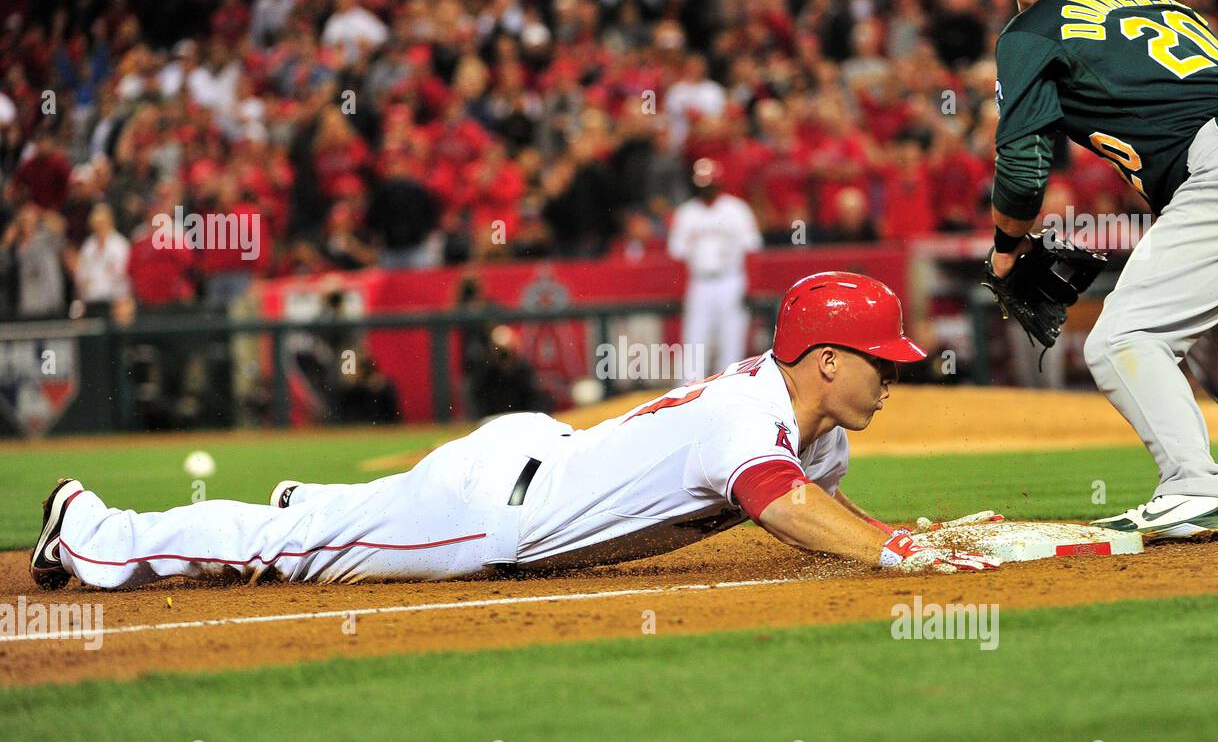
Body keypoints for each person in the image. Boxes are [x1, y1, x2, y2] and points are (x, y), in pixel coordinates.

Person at [30, 273, 1002, 591]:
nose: (896, 374)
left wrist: (894, 537)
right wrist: (895, 554)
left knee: (329, 523)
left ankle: (330, 509)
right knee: (285, 555)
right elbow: (779, 506)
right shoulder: (745, 417)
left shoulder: (811, 431)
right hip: (492, 511)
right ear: (826, 359)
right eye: (884, 359)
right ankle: (92, 533)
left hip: (523, 466)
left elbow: (819, 502)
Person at [984, 0, 1218, 539]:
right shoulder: (1147, 1)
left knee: (1122, 338)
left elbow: (1024, 171)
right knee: (1212, 316)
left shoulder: (1030, 30)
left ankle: (1192, 487)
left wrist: (1006, 248)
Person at [668, 158, 762, 380]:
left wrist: (750, 286)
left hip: (731, 279)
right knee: (694, 339)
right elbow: (677, 255)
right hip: (699, 281)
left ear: (719, 182)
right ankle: (686, 393)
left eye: (709, 183)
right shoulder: (686, 213)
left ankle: (731, 388)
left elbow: (752, 249)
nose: (706, 188)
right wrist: (681, 289)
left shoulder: (736, 210)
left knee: (731, 339)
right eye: (702, 184)